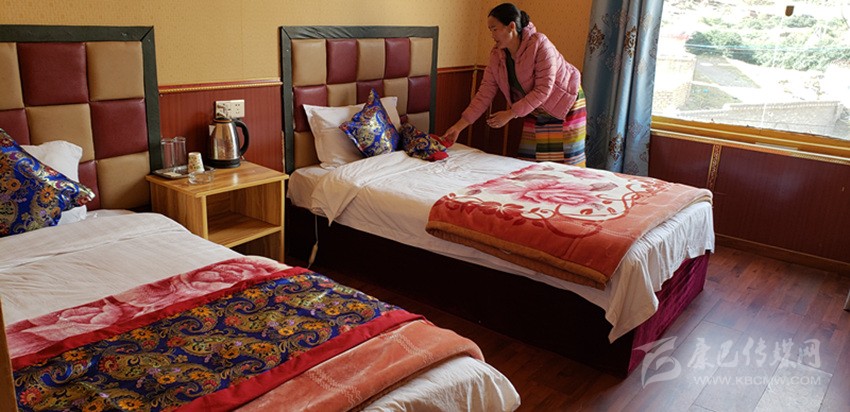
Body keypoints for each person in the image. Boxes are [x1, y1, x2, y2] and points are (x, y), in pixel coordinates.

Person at [441, 3, 586, 166]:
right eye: (490, 30)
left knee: (567, 165)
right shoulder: (497, 55)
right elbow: (484, 94)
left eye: (494, 29)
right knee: (530, 162)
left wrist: (510, 113)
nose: (492, 35)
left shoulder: (540, 45)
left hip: (565, 103)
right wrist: (458, 127)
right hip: (534, 107)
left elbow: (543, 89)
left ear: (511, 27)